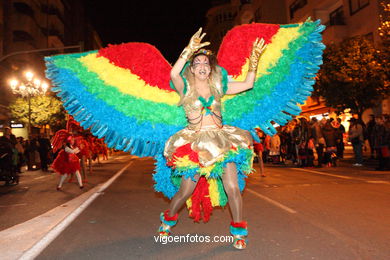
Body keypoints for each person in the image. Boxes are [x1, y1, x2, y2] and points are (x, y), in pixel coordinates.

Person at [158, 28, 267, 249]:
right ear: (192, 68)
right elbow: (173, 74)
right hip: (194, 144)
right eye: (197, 63)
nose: (202, 66)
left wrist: (254, 59)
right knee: (186, 191)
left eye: (206, 64)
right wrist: (188, 50)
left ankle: (238, 231)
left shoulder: (219, 88)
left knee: (232, 187)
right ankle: (167, 221)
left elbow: (248, 84)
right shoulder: (184, 87)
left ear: (211, 69)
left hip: (221, 142)